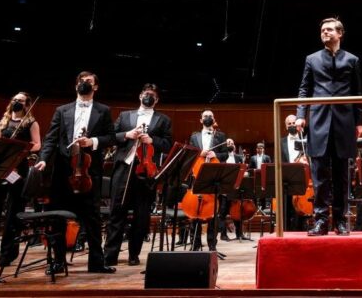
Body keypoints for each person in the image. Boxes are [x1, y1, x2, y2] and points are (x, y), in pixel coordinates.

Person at [34, 71, 116, 274]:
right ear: (75, 85)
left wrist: (92, 142)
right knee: (58, 219)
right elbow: (51, 138)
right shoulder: (62, 110)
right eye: (81, 81)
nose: (84, 84)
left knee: (93, 219)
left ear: (95, 87)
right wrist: (43, 159)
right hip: (63, 171)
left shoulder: (103, 110)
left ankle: (96, 263)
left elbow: (111, 137)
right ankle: (58, 262)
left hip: (89, 172)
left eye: (88, 81)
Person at [296, 17, 362, 236]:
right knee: (319, 174)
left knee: (342, 174)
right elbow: (304, 89)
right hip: (318, 120)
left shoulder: (352, 60)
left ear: (340, 33)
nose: (324, 33)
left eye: (329, 30)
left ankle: (341, 221)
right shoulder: (311, 59)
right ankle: (320, 221)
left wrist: (360, 121)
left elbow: (358, 93)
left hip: (344, 121)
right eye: (322, 30)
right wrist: (300, 115)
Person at [104, 84, 172, 267]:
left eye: (152, 95)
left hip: (146, 171)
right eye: (146, 94)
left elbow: (167, 144)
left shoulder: (163, 120)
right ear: (140, 96)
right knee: (116, 213)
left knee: (142, 216)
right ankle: (110, 255)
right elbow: (111, 137)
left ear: (156, 100)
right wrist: (127, 134)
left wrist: (152, 140)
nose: (148, 97)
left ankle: (134, 254)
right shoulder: (125, 115)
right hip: (123, 168)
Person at [0, 92, 42, 267]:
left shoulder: (30, 123)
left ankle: (7, 254)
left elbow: (37, 145)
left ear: (26, 104)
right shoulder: (2, 122)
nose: (16, 102)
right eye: (14, 100)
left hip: (17, 169)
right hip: (0, 168)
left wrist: (20, 149)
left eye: (20, 101)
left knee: (13, 211)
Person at [188, 109, 228, 251]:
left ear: (214, 119)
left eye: (210, 116)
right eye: (205, 116)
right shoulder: (194, 136)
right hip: (197, 176)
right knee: (195, 211)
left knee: (213, 213)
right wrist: (200, 153)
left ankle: (212, 245)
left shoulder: (221, 135)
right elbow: (190, 154)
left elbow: (225, 154)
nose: (207, 118)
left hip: (213, 176)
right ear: (200, 120)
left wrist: (214, 153)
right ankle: (195, 243)